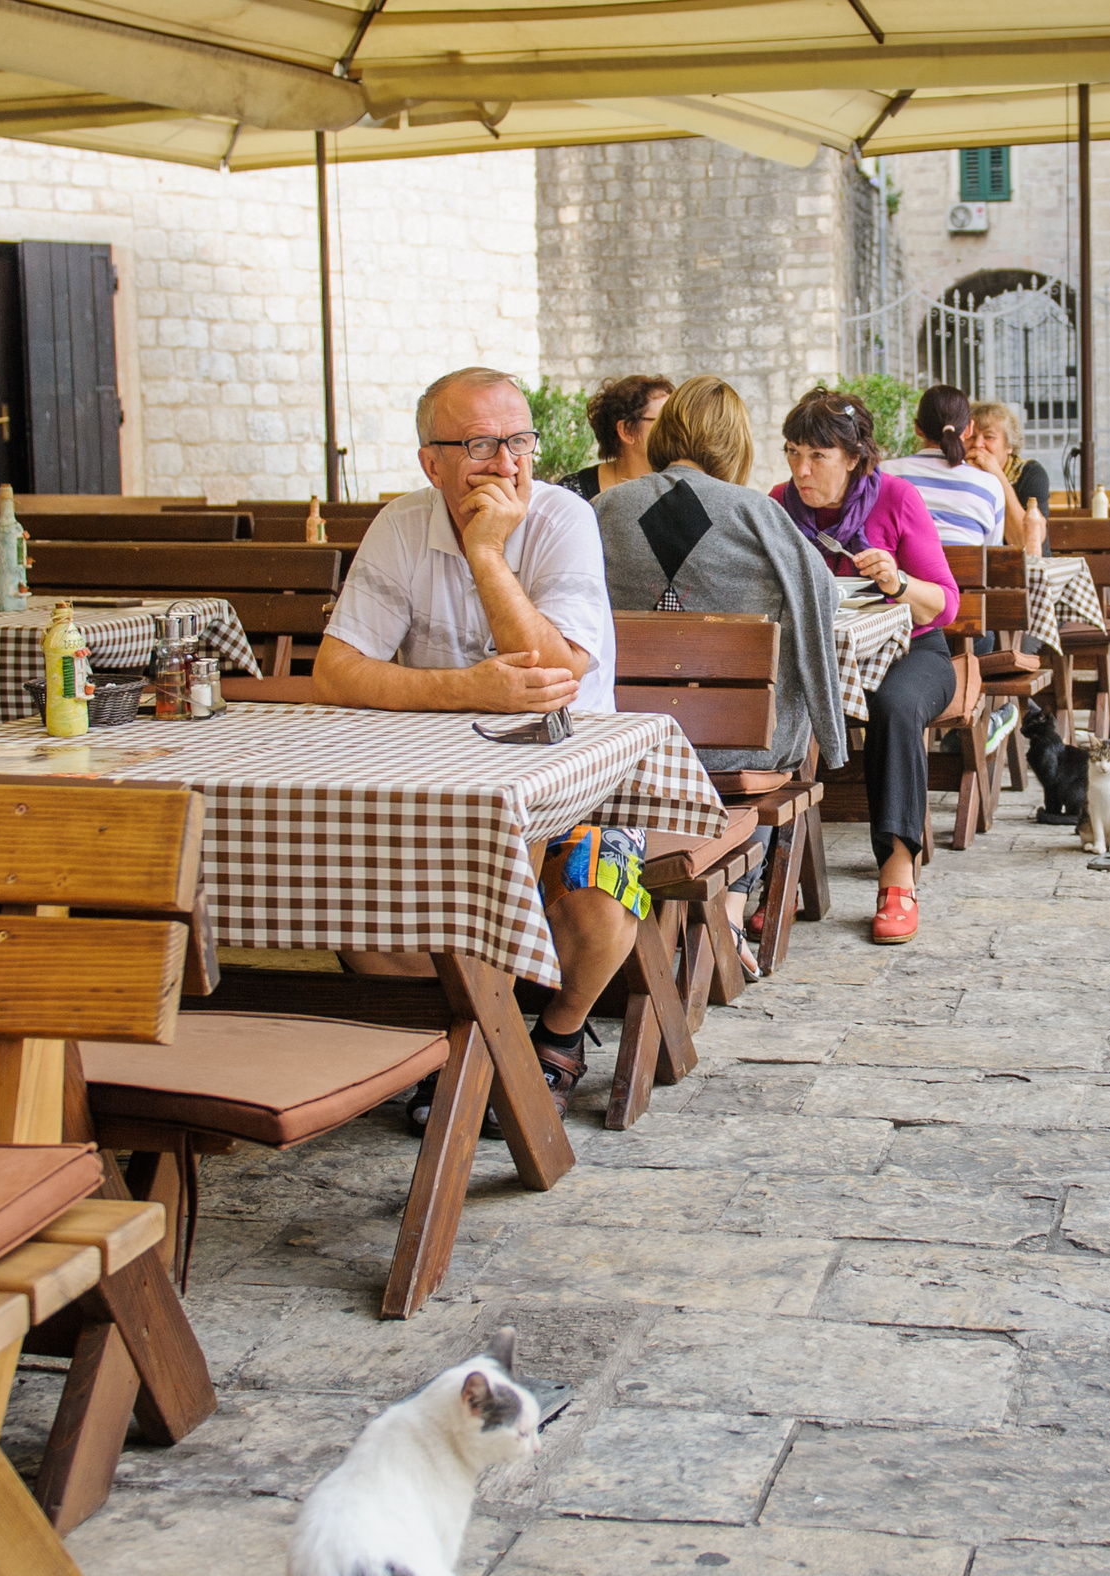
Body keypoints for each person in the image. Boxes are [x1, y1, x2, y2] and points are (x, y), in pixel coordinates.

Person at [315, 365, 634, 1116]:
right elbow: (336, 671)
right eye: (482, 444)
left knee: (601, 895)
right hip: (434, 792)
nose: (508, 463)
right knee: (352, 907)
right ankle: (457, 1035)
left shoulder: (562, 520)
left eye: (519, 440)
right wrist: (465, 688)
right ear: (432, 462)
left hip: (577, 787)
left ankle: (557, 1031)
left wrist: (488, 554)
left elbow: (557, 672)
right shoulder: (403, 525)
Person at [596, 376, 841, 970]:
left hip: (627, 748)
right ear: (736, 442)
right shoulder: (760, 515)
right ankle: (732, 900)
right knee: (772, 747)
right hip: (735, 756)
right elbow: (823, 599)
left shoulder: (604, 510)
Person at [772, 388, 961, 947]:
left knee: (895, 705)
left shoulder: (895, 499)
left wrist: (898, 582)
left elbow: (945, 604)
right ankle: (767, 879)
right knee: (765, 699)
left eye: (817, 456)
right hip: (820, 655)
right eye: (792, 453)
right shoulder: (780, 503)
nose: (801, 471)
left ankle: (897, 871)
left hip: (914, 652)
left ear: (853, 457)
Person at [883, 384, 1016, 549]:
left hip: (898, 574)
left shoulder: (884, 474)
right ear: (968, 429)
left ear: (917, 428)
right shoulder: (989, 485)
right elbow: (991, 555)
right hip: (966, 575)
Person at [560, 374, 673, 501]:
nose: (676, 429)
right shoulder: (572, 493)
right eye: (665, 420)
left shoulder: (680, 488)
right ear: (627, 431)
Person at [969, 399, 1051, 517]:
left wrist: (997, 475)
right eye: (971, 436)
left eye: (989, 437)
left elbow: (1026, 535)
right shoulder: (955, 470)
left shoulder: (1030, 473)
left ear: (1009, 445)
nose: (977, 444)